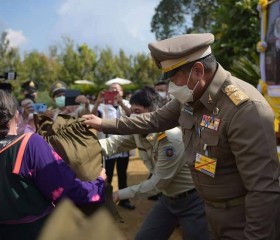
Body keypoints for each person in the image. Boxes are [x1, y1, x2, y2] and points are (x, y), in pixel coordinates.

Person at [82, 33, 280, 239]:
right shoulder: (191, 96)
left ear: (198, 71)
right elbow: (153, 120)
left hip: (241, 220)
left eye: (173, 77)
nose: (170, 87)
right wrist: (103, 123)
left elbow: (263, 190)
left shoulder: (245, 109)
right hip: (209, 212)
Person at [99, 86, 209, 240]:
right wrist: (83, 148)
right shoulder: (139, 132)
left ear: (155, 112)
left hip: (192, 201)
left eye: (137, 112)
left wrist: (118, 194)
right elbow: (114, 143)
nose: (132, 118)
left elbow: (157, 184)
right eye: (131, 112)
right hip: (167, 200)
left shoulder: (170, 138)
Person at [0, 89, 107, 240]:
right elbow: (66, 190)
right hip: (34, 231)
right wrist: (98, 184)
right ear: (16, 116)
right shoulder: (29, 144)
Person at [91, 83, 135, 210]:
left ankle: (123, 200)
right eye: (111, 89)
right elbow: (92, 116)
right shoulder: (102, 105)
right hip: (108, 147)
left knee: (122, 174)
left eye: (117, 89)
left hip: (123, 146)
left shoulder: (127, 103)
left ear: (122, 92)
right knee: (107, 175)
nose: (114, 91)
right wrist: (97, 102)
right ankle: (106, 201)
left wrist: (121, 104)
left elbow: (133, 117)